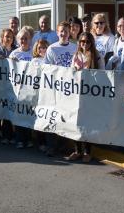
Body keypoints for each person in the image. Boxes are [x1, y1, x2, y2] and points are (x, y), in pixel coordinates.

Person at [66, 32, 104, 162]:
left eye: (87, 42)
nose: (85, 44)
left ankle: (88, 152)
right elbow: (71, 73)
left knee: (88, 123)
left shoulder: (97, 55)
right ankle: (77, 150)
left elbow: (103, 73)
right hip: (77, 93)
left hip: (91, 94)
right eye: (82, 41)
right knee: (76, 122)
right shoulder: (76, 55)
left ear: (91, 43)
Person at [43, 21, 77, 156]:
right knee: (52, 117)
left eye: (66, 31)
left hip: (69, 90)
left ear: (70, 33)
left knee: (67, 118)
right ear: (57, 33)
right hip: (55, 90)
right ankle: (51, 146)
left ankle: (64, 146)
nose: (63, 33)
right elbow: (47, 68)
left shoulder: (74, 48)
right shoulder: (52, 49)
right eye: (61, 31)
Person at [10, 29, 34, 149]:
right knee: (19, 114)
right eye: (21, 38)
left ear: (30, 39)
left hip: (31, 89)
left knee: (28, 114)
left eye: (26, 38)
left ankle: (29, 139)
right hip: (18, 90)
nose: (24, 40)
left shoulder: (34, 53)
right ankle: (19, 139)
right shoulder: (14, 54)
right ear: (18, 40)